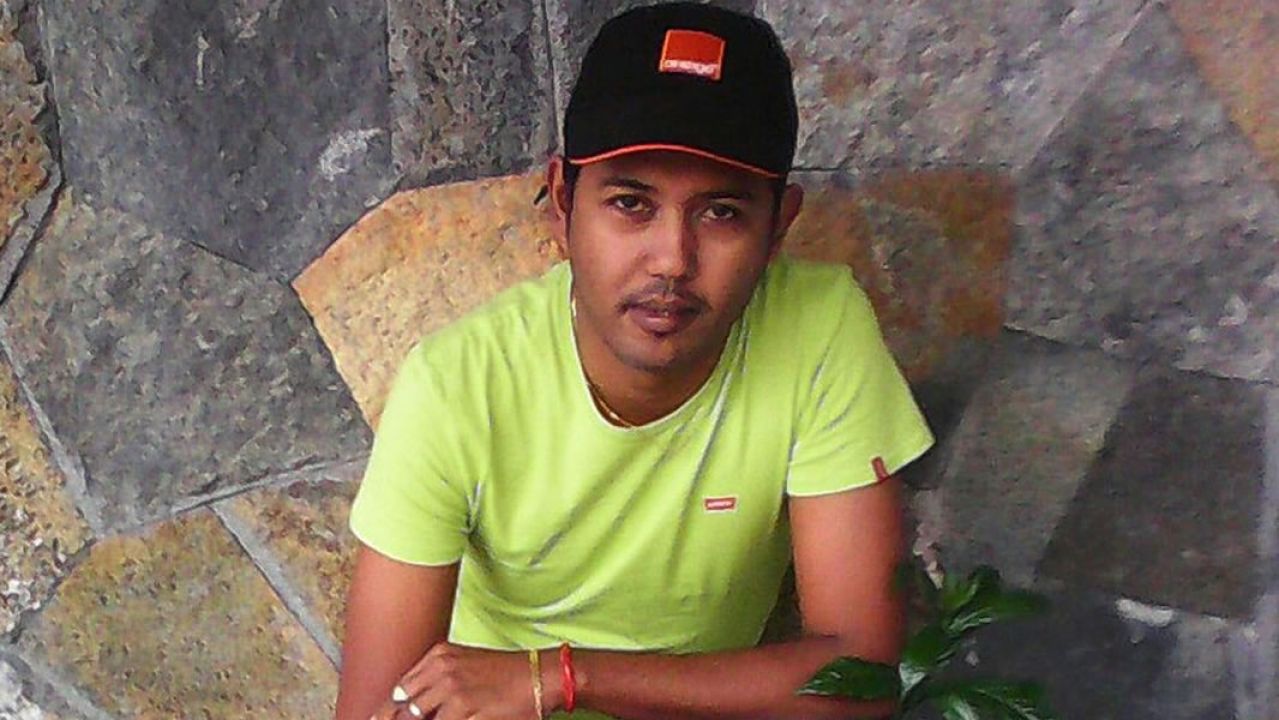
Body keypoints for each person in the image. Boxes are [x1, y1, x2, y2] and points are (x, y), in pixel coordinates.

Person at [336, 3, 934, 719]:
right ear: (562, 204)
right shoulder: (457, 384)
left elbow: (859, 685)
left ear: (779, 226)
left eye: (721, 213)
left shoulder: (820, 327)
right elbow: (373, 710)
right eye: (630, 203)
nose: (672, 260)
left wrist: (562, 677)